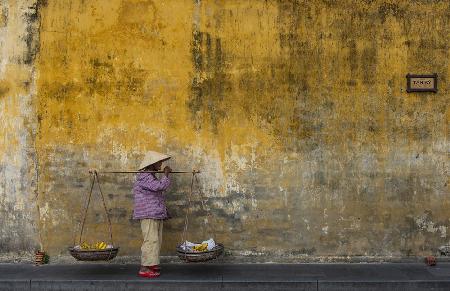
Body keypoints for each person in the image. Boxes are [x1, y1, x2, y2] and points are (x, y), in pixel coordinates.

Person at [133, 151, 172, 278]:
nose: (161, 164)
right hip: (148, 213)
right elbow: (159, 187)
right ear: (152, 163)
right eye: (159, 162)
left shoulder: (151, 175)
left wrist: (164, 211)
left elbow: (156, 195)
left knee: (156, 240)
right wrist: (166, 175)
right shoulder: (144, 176)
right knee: (151, 240)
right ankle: (145, 267)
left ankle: (152, 263)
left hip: (155, 213)